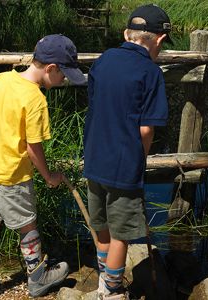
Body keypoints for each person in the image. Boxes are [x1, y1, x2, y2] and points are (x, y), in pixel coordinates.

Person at [0, 34, 87, 299]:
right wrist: (49, 175)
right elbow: (32, 147)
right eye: (64, 75)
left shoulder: (1, 79)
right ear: (51, 69)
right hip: (12, 174)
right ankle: (37, 277)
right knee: (27, 225)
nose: (64, 80)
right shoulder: (36, 99)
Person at [83, 4, 172, 299]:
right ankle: (111, 291)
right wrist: (139, 161)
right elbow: (146, 129)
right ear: (158, 40)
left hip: (94, 157)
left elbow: (94, 106)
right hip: (124, 164)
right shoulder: (150, 72)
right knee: (121, 232)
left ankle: (102, 279)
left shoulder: (103, 60)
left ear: (126, 34)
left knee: (101, 225)